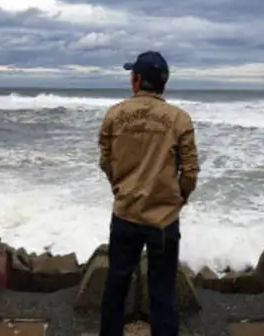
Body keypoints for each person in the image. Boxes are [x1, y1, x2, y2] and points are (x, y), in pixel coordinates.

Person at [97, 50, 200, 336]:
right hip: (164, 221)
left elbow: (106, 161)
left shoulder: (114, 115)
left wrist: (120, 188)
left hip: (125, 213)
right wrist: (178, 199)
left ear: (137, 80)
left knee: (116, 286)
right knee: (163, 291)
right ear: (163, 84)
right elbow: (190, 171)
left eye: (133, 74)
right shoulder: (180, 119)